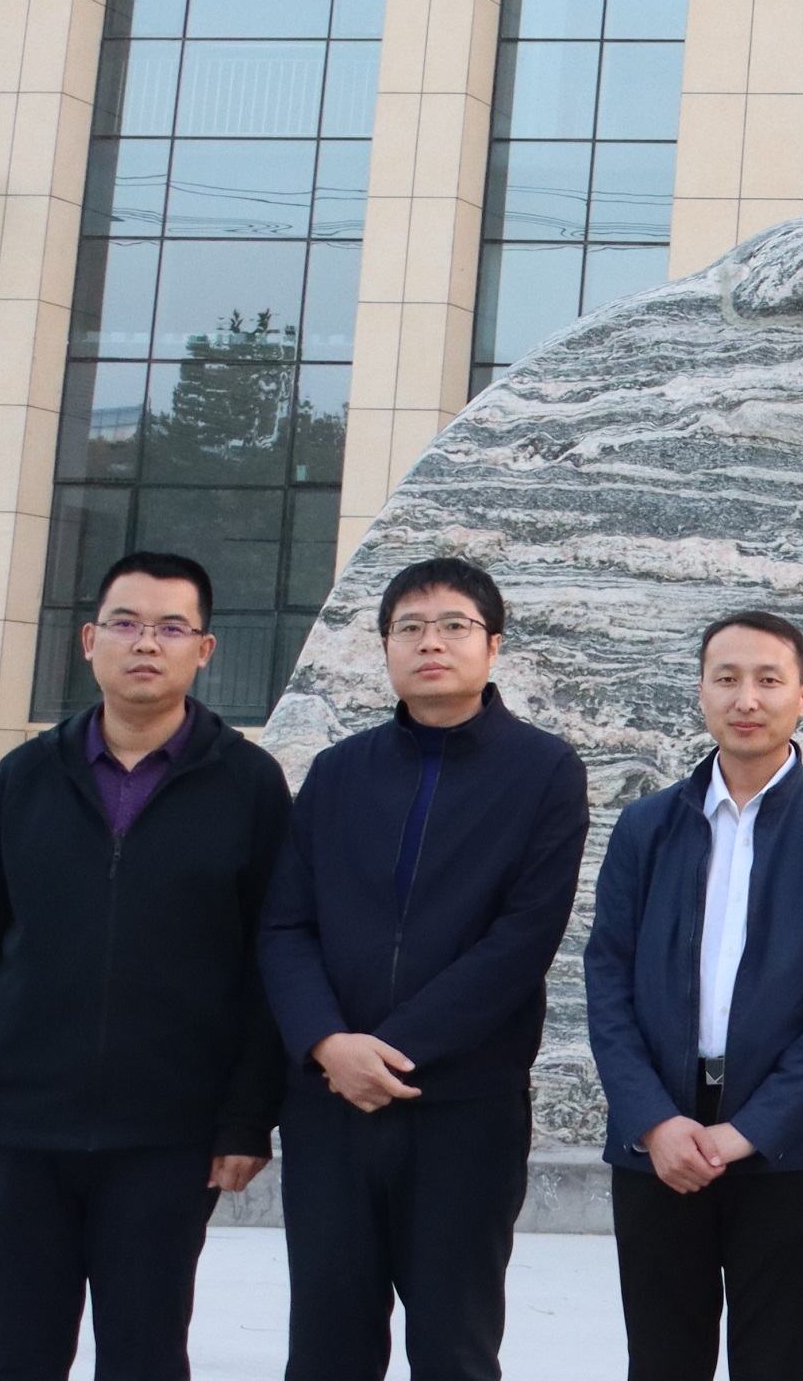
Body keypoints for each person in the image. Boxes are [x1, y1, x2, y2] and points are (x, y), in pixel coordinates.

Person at [0, 550, 295, 1381]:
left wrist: (244, 1117)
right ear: (90, 641)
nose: (145, 643)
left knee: (145, 1356)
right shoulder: (25, 777)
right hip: (17, 1129)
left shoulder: (250, 785)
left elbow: (270, 966)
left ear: (204, 650)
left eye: (170, 628)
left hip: (168, 1136)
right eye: (125, 623)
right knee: (13, 1356)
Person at [260, 556, 593, 1381]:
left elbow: (522, 939)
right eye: (409, 628)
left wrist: (391, 1050)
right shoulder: (339, 772)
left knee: (454, 1347)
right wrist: (329, 1044)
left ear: (493, 645)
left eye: (453, 626)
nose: (430, 643)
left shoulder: (544, 771)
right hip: (331, 1105)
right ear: (384, 647)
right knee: (326, 1349)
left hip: (463, 1108)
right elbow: (286, 924)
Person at [584, 609, 803, 1381]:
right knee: (662, 1360)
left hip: (785, 1147)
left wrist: (749, 1131)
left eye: (768, 680)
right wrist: (654, 1122)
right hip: (658, 1144)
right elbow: (608, 979)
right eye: (726, 679)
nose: (745, 698)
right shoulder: (646, 826)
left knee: (777, 1359)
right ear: (701, 691)